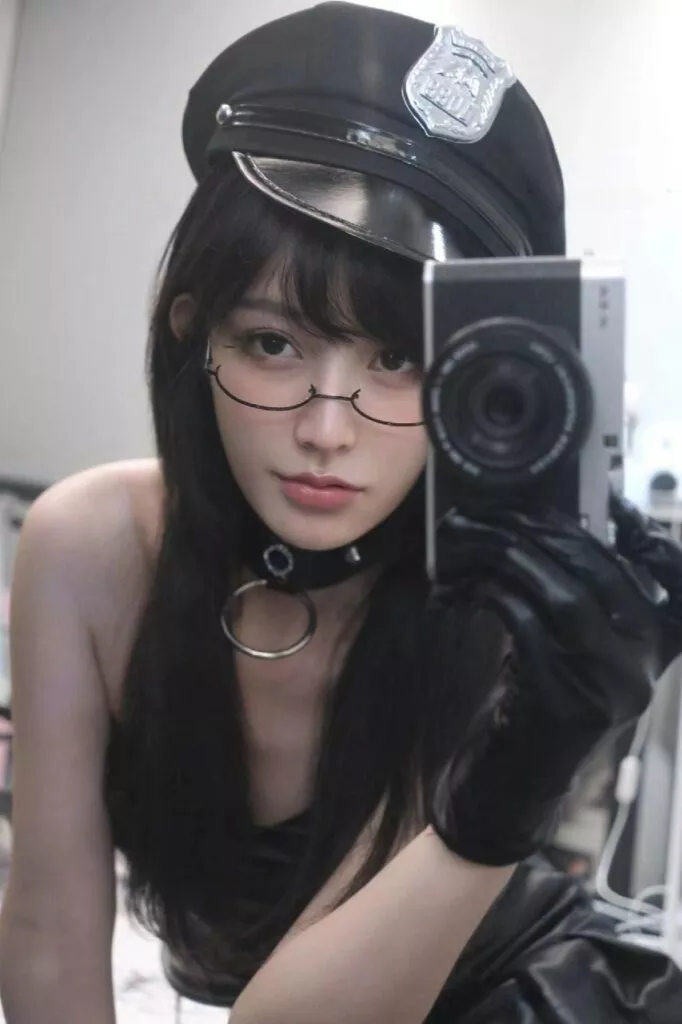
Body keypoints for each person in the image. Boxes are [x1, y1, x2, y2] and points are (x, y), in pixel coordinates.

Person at [1, 3, 681, 1022]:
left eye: (399, 358)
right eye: (273, 344)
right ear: (195, 336)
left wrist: (517, 779)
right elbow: (48, 931)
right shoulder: (88, 549)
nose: (327, 430)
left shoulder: (484, 594)